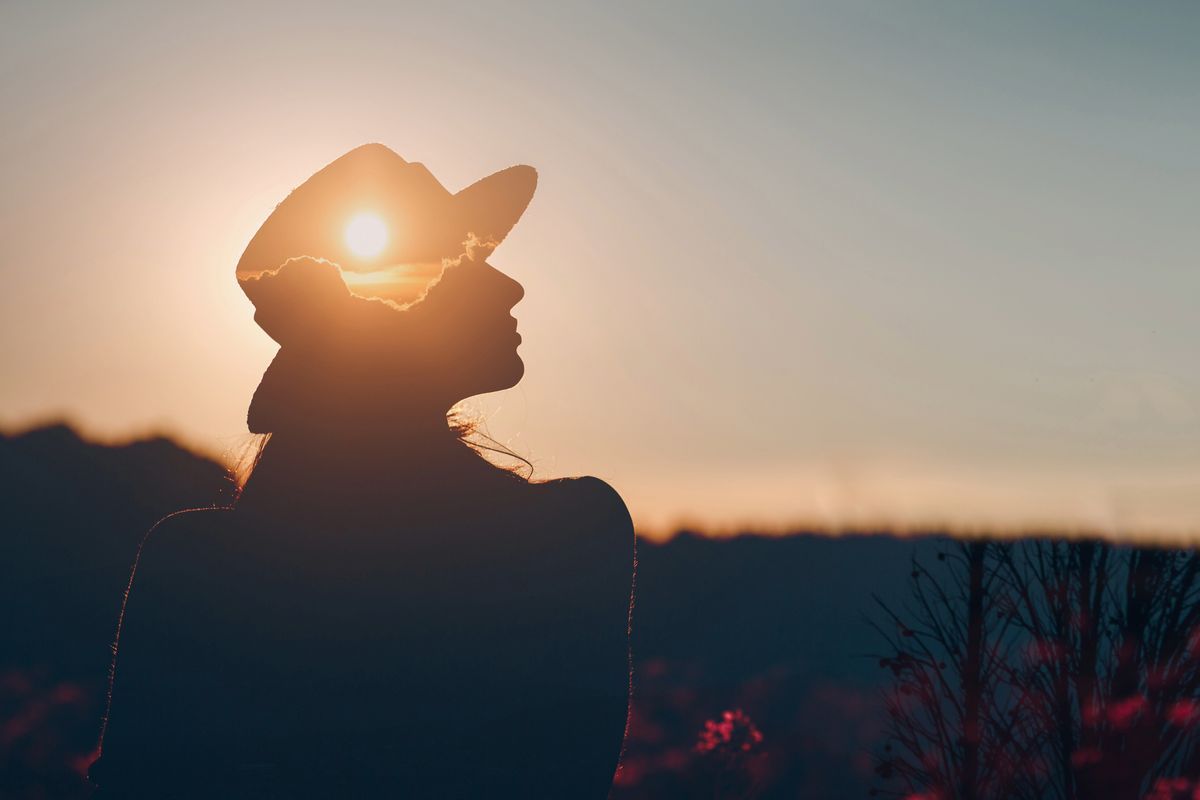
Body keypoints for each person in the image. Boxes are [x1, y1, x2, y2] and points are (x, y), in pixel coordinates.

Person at [89, 144, 636, 798]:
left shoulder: (193, 561)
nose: (509, 286)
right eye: (464, 262)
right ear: (395, 316)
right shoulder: (571, 533)